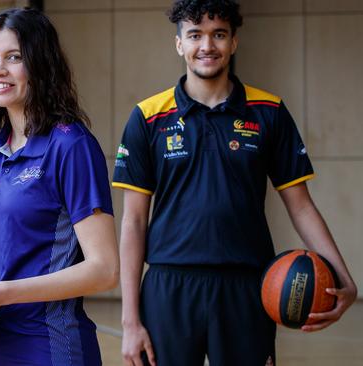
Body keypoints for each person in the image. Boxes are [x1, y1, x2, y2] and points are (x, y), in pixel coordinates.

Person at [113, 1, 358, 365]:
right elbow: (133, 222)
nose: (207, 46)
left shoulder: (269, 111)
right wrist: (130, 320)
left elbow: (301, 205)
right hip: (169, 286)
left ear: (234, 42)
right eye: (195, 35)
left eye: (219, 35)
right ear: (179, 43)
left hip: (248, 287)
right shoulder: (148, 117)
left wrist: (344, 277)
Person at [0, 8, 119, 366]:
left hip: (50, 345)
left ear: (40, 64)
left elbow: (104, 269)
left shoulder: (71, 146)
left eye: (14, 57)